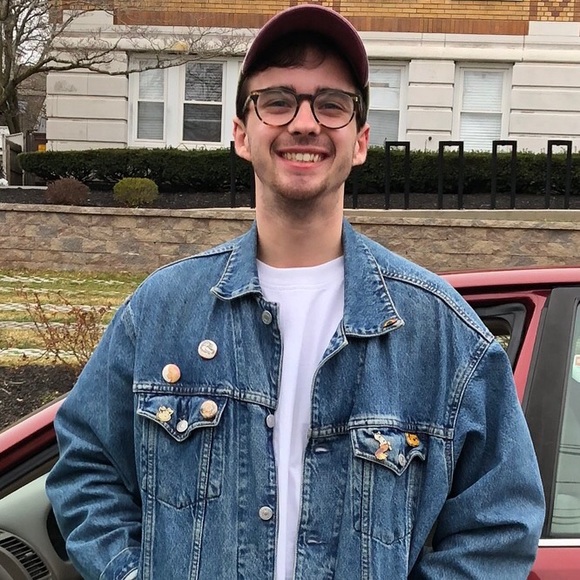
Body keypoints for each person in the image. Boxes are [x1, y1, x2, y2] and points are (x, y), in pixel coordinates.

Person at [46, 4, 545, 579]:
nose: (305, 123)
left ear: (360, 140)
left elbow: (501, 523)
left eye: (331, 104)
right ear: (241, 134)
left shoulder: (440, 333)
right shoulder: (161, 311)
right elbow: (86, 467)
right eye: (278, 101)